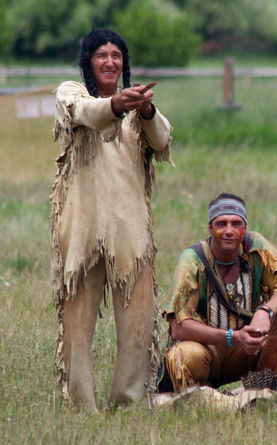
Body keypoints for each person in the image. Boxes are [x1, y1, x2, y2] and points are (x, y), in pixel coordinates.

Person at [52, 28, 173, 413]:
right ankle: (80, 406)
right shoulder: (72, 94)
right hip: (81, 232)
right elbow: (87, 114)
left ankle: (128, 403)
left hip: (130, 231)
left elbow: (163, 141)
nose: (109, 62)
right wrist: (117, 105)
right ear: (88, 61)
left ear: (124, 62)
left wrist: (147, 110)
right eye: (101, 55)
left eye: (116, 55)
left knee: (138, 326)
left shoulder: (139, 107)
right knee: (76, 326)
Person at [161, 193, 277, 394]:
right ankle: (201, 395)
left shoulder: (255, 247)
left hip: (248, 348)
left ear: (245, 228)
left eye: (236, 223)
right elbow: (178, 328)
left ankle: (267, 388)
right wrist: (233, 337)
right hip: (207, 350)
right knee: (183, 356)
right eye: (221, 223)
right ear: (211, 228)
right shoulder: (192, 259)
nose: (229, 231)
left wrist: (264, 312)